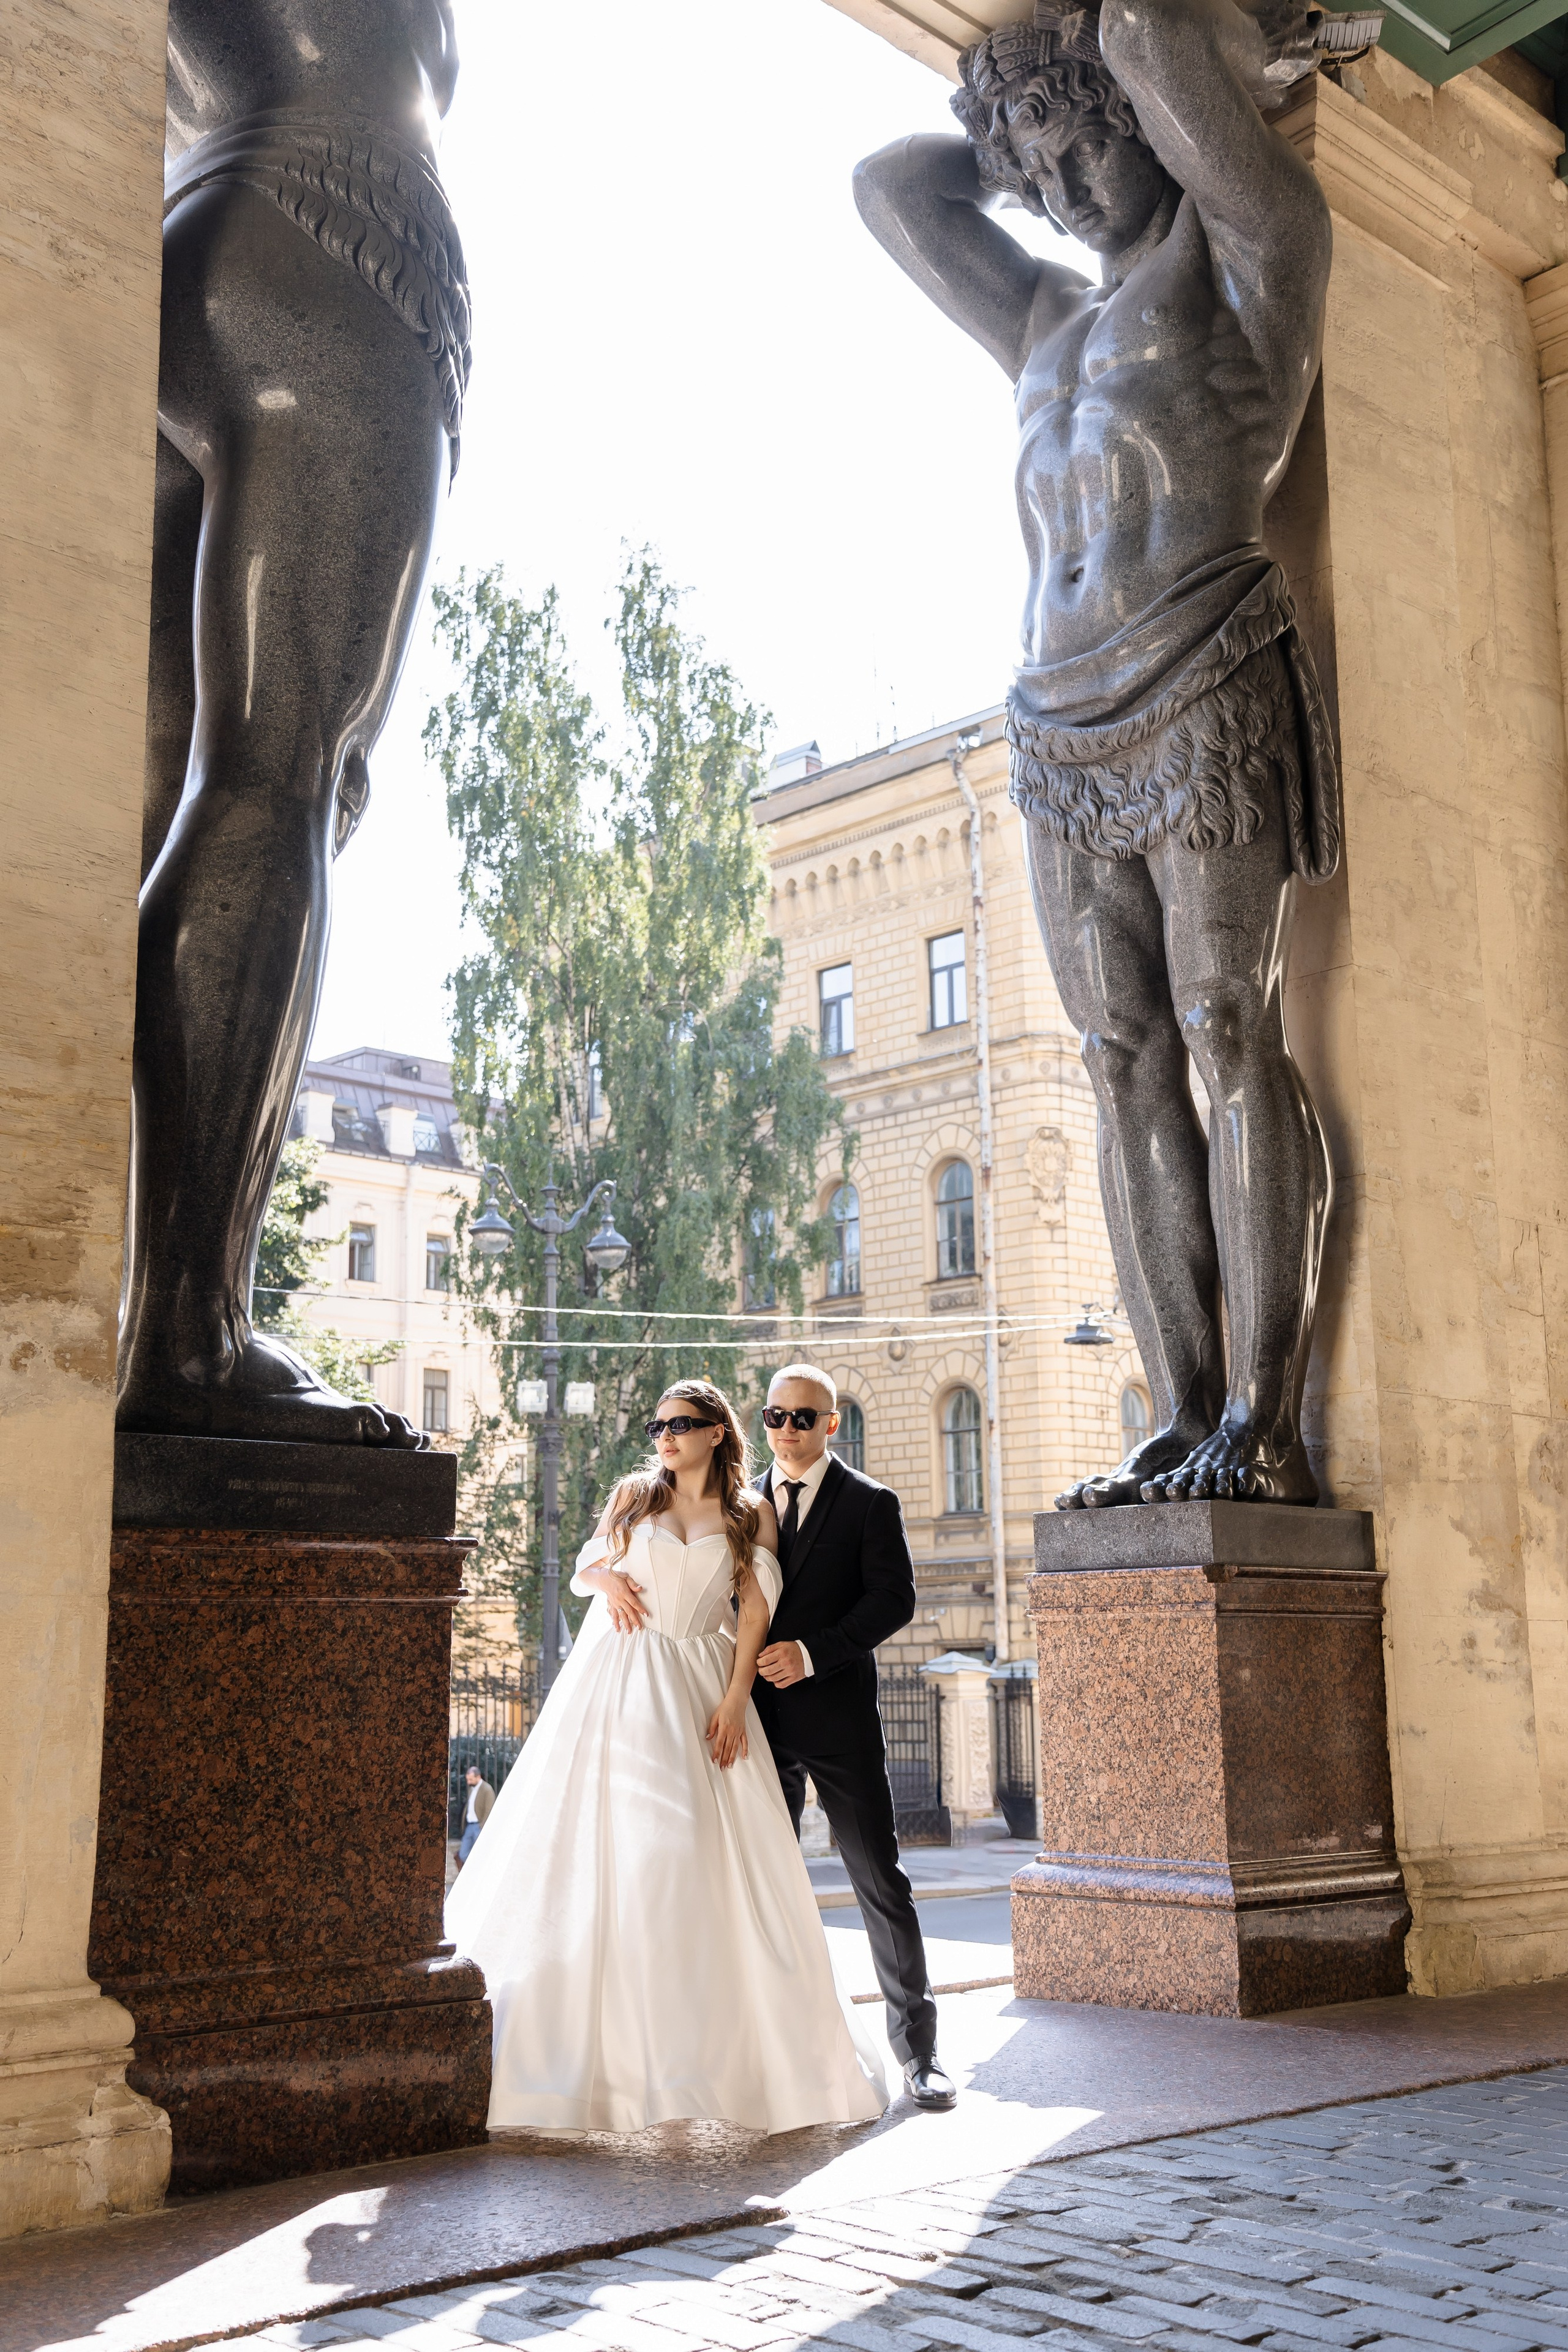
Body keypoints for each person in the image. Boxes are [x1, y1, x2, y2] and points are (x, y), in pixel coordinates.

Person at [853, 0, 1341, 1507]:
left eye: (1077, 152)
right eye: (1032, 176)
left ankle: (1263, 1418)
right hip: (1052, 713)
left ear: (1143, 116)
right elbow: (889, 188)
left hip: (1200, 655)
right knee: (1119, 1056)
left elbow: (1136, 22)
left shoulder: (1252, 252)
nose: (1057, 195)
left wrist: (1174, 59)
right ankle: (1182, 1407)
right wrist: (1005, 109)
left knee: (1220, 1021)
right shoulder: (1039, 322)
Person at [118, 1, 469, 1447]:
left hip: (205, 234)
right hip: (340, 238)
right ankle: (191, 1334)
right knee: (277, 776)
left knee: (171, 803)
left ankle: (148, 1308)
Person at [444, 1380, 888, 2135]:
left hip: (704, 1684)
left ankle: (703, 2068)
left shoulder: (752, 1513)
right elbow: (585, 1567)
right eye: (658, 1425)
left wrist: (734, 1696)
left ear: (717, 1433)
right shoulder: (634, 1498)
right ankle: (617, 2071)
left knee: (694, 1857)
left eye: (681, 1425)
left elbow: (754, 1606)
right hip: (622, 1684)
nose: (665, 1437)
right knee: (620, 1858)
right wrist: (608, 1575)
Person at [752, 1365, 956, 2112]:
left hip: (838, 1723)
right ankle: (773, 2053)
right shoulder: (741, 1506)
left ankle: (921, 2053)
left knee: (879, 1883)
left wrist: (811, 1653)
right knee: (755, 1887)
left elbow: (893, 1600)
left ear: (831, 1424)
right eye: (775, 1417)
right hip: (755, 1725)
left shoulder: (871, 1501)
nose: (788, 1430)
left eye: (804, 1418)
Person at [455, 1765, 493, 1869]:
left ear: (478, 1777)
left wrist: (482, 1826)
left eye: (471, 1779)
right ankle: (473, 1871)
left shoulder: (487, 1789)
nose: (469, 1782)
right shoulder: (472, 1789)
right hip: (470, 1826)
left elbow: (489, 1810)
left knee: (481, 1853)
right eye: (468, 1780)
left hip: (479, 1826)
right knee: (463, 1854)